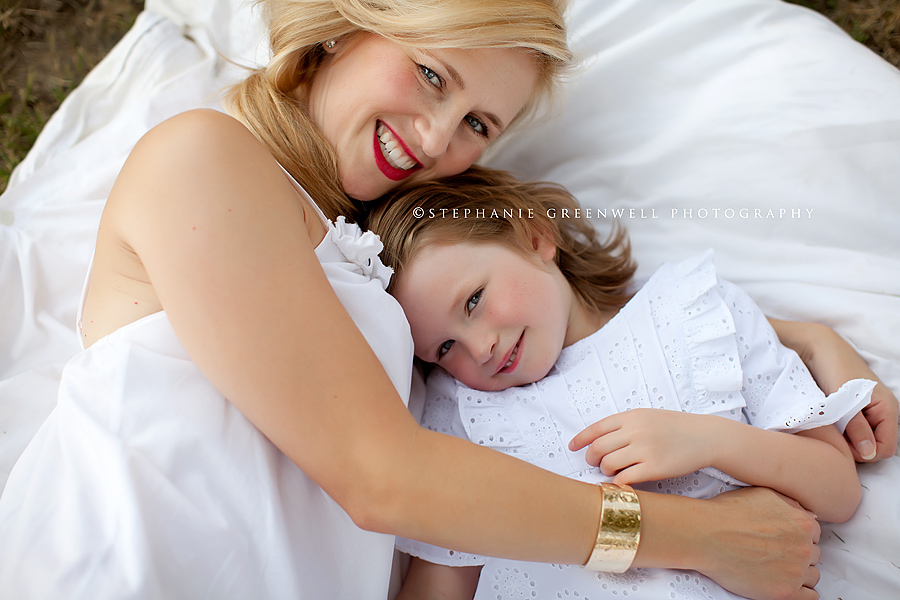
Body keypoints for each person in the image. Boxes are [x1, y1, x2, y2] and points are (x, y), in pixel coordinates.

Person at [0, 1, 894, 599]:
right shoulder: (202, 159)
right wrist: (691, 535)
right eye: (431, 74)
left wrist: (800, 340)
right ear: (347, 26)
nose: (435, 137)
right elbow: (381, 477)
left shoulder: (373, 262)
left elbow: (571, 343)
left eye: (478, 124)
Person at [365, 166, 876, 599]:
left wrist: (713, 441)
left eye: (473, 301)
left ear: (535, 236)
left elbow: (838, 491)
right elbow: (441, 581)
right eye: (444, 349)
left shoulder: (694, 310)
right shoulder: (463, 415)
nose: (480, 349)